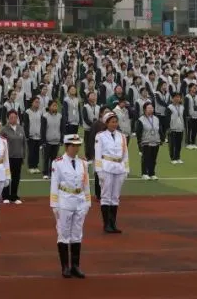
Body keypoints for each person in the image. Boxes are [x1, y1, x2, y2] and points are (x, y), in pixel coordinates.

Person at [50, 133, 90, 278]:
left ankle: (75, 266)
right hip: (64, 200)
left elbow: (86, 183)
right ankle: (65, 267)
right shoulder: (58, 163)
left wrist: (87, 202)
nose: (76, 148)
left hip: (79, 200)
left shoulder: (83, 163)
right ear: (67, 146)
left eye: (78, 145)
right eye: (73, 145)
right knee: (63, 234)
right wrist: (54, 205)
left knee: (77, 234)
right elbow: (54, 184)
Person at [94, 109, 127, 233]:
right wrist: (99, 171)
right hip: (106, 167)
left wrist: (126, 169)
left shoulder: (122, 136)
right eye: (112, 122)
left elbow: (125, 154)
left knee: (115, 197)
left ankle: (113, 223)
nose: (114, 124)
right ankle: (106, 224)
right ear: (106, 123)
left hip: (119, 167)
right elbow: (98, 154)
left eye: (116, 122)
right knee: (106, 196)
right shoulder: (100, 136)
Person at [1, 109, 26, 204]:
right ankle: (5, 196)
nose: (13, 119)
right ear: (8, 119)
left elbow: (24, 143)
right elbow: (0, 143)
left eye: (15, 117)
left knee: (16, 177)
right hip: (7, 158)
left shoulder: (21, 128)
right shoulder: (4, 129)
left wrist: (23, 155)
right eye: (11, 117)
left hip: (18, 157)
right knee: (7, 177)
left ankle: (14, 196)